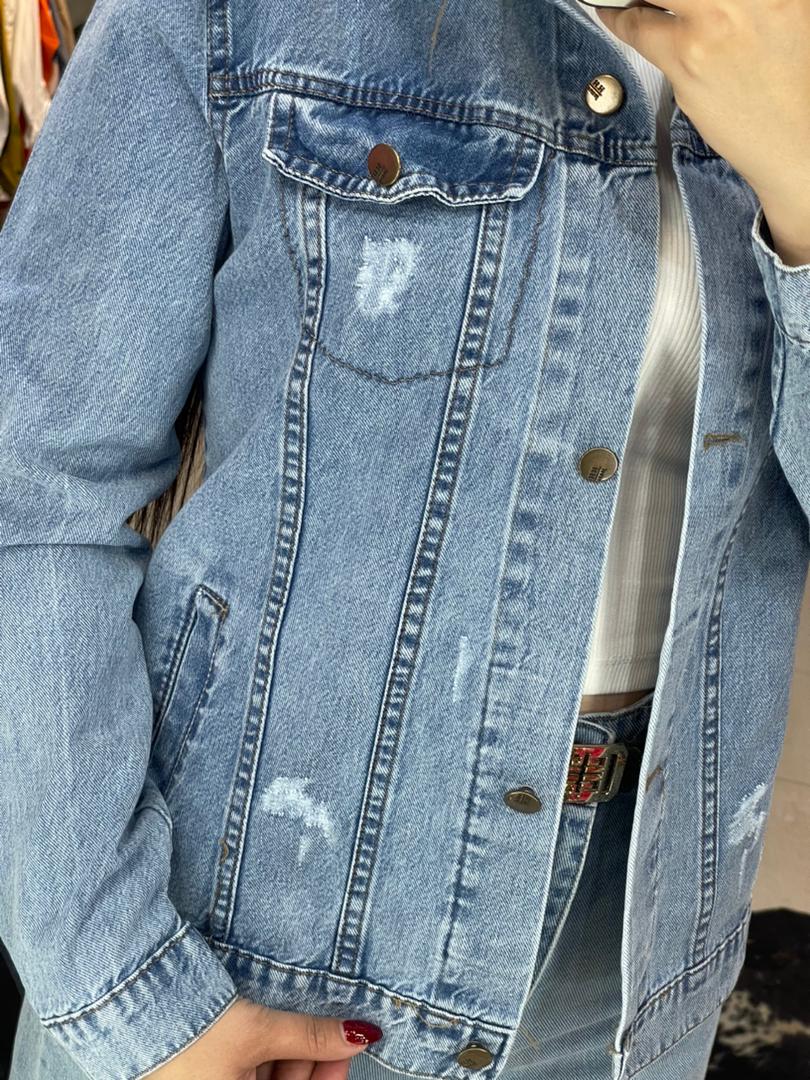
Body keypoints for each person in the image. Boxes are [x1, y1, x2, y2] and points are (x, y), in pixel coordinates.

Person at [1, 1, 808, 1078]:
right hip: (243, 945)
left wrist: (802, 176)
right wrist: (123, 984)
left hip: (632, 970)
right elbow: (36, 482)